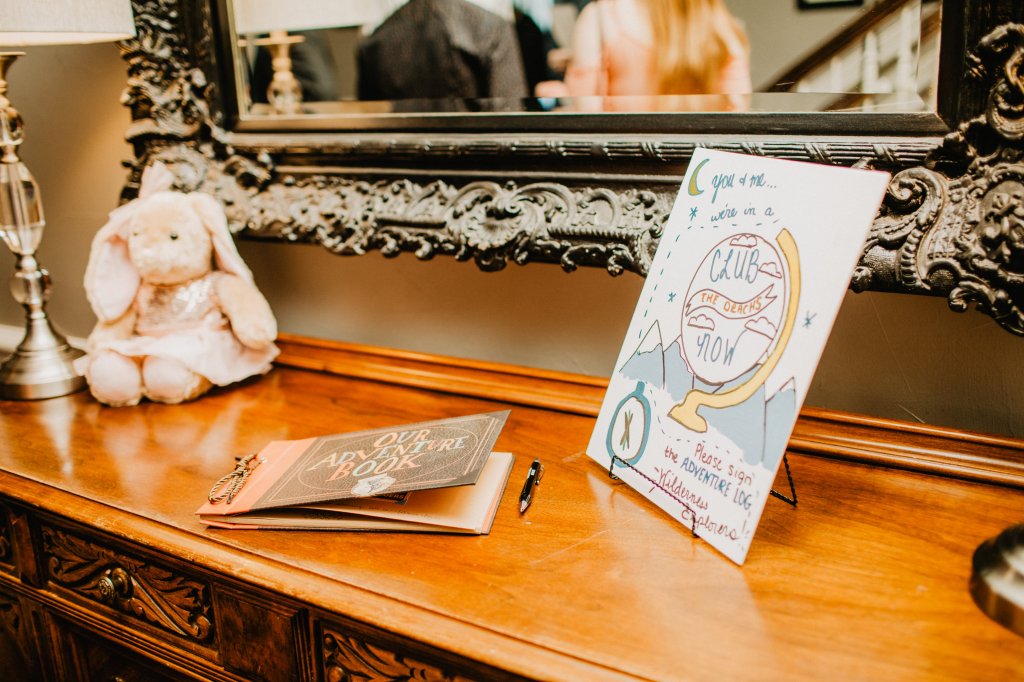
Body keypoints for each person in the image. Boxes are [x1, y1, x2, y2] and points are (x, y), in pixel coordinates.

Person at [560, 0, 751, 109]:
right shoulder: (717, 23)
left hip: (625, 161)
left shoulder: (601, 17)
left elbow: (586, 116)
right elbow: (738, 110)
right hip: (700, 162)